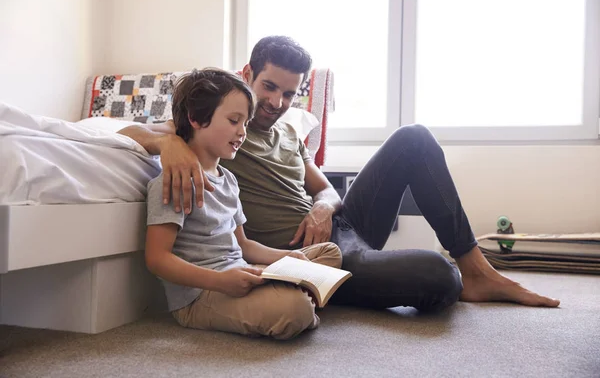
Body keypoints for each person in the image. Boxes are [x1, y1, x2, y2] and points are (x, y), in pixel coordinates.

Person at [122, 36, 560, 312]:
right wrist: (170, 143)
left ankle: (478, 270)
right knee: (437, 277)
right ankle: (452, 277)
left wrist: (323, 206)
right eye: (269, 87)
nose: (276, 102)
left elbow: (327, 188)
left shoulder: (290, 134)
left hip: (338, 227)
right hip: (302, 250)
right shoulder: (222, 130)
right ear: (247, 75)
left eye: (289, 93)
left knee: (413, 137)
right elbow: (126, 131)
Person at [144, 67, 342, 340]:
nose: (242, 132)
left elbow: (244, 245)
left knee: (329, 253)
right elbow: (157, 259)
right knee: (294, 309)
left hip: (239, 273)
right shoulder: (174, 181)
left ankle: (293, 297)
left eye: (246, 123)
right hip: (202, 294)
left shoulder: (229, 181)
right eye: (234, 120)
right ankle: (298, 305)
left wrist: (285, 257)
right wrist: (221, 282)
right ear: (195, 119)